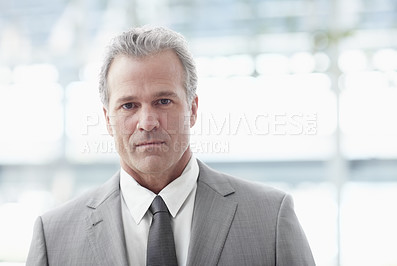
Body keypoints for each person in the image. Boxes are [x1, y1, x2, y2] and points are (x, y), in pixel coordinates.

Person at [26, 25, 315, 266]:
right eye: (129, 105)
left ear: (193, 109)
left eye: (163, 101)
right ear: (107, 119)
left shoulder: (270, 218)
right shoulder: (54, 237)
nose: (148, 122)